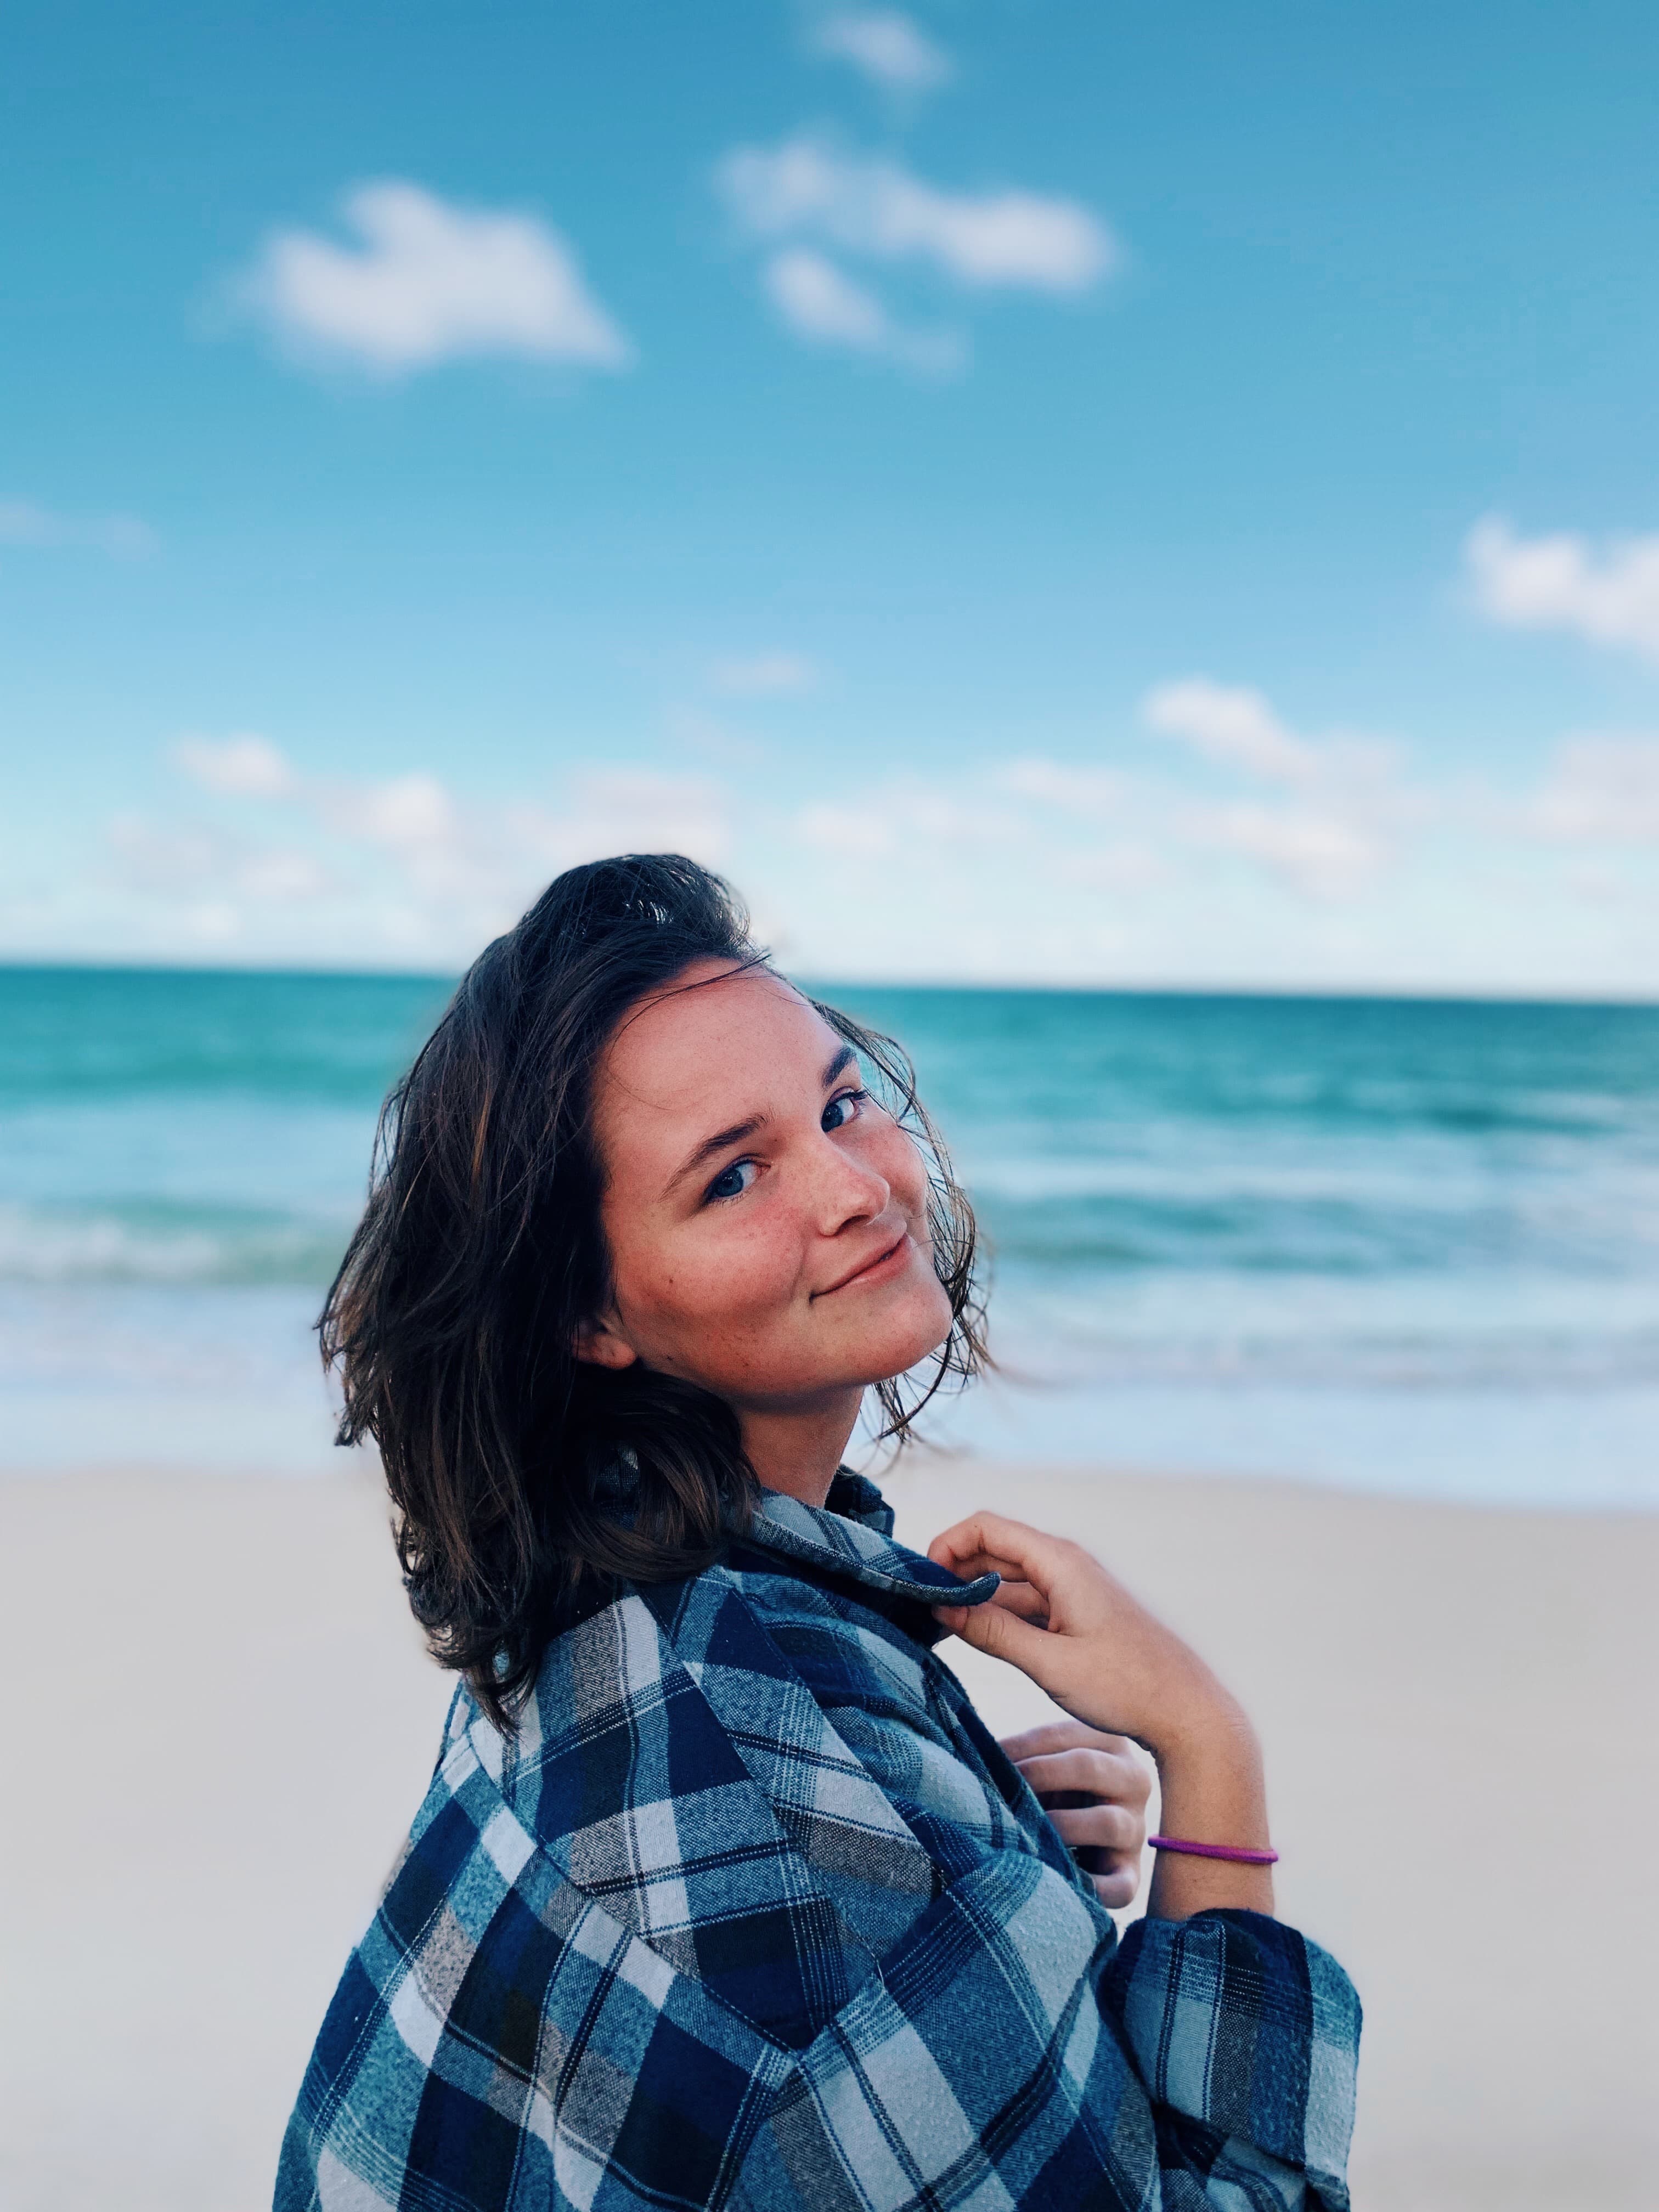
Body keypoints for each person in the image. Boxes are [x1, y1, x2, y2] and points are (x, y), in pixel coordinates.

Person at [277, 854, 1359, 2211]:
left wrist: (981, 1854)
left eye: (843, 1104)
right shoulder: (815, 1890)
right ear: (589, 1314)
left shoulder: (605, 1585)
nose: (856, 1188)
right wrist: (1207, 1747)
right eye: (734, 1177)